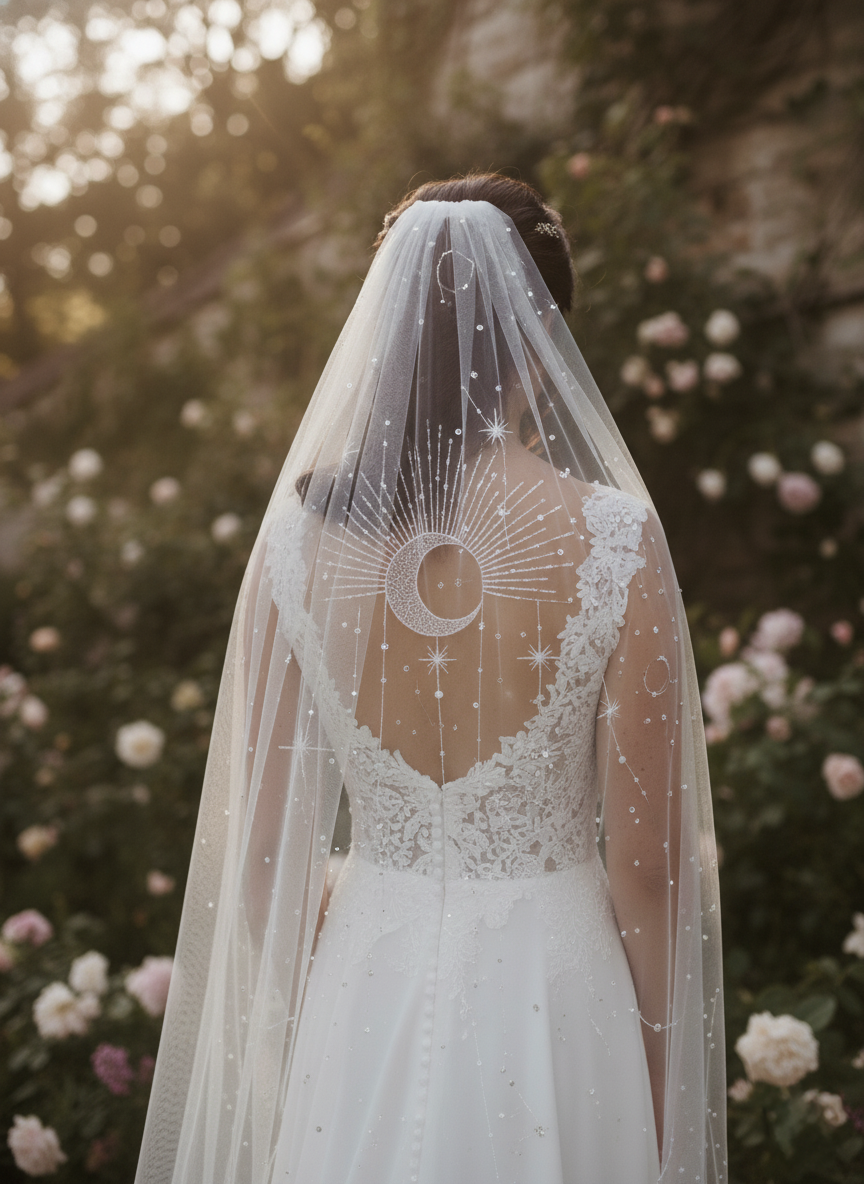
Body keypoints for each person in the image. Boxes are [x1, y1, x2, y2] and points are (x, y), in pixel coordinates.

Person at [135, 175, 726, 1184]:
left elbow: (267, 853)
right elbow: (648, 862)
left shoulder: (295, 544)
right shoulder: (615, 539)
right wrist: (668, 1080)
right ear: (542, 341)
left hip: (365, 981)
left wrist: (317, 1023)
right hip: (558, 992)